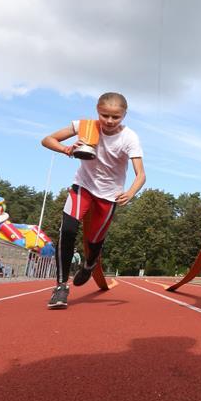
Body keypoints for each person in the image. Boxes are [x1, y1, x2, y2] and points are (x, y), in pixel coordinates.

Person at [41, 92, 145, 309]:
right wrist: (66, 149)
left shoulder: (130, 138)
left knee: (94, 241)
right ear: (97, 110)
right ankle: (61, 287)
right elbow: (47, 139)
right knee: (67, 230)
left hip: (109, 195)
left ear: (124, 115)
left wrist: (131, 192)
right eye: (104, 115)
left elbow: (141, 175)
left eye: (115, 117)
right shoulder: (85, 125)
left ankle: (89, 264)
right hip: (83, 187)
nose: (108, 121)